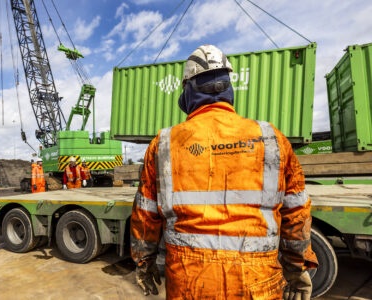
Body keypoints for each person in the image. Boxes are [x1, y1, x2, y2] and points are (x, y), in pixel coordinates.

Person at [130, 45, 318, 299]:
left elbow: (145, 214)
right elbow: (296, 211)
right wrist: (297, 269)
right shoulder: (272, 138)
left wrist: (144, 263)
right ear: (228, 89)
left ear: (188, 91)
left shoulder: (164, 143)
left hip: (189, 284)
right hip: (258, 284)